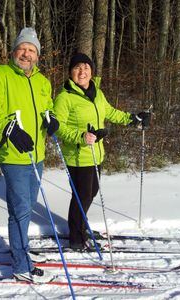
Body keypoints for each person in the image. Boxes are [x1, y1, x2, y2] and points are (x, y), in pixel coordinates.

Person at [0, 28, 59, 283]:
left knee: (26, 206)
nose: (26, 53)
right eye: (22, 48)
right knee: (21, 210)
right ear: (14, 51)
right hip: (13, 154)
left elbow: (47, 106)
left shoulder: (42, 81)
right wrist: (9, 127)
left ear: (37, 56)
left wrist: (51, 119)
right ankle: (22, 267)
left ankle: (21, 246)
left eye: (31, 50)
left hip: (37, 154)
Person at [53, 53, 150, 251]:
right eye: (78, 68)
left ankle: (81, 226)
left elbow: (110, 112)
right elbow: (58, 126)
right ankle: (76, 238)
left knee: (91, 192)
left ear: (91, 71)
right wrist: (80, 137)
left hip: (97, 154)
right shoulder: (65, 97)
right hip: (78, 156)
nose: (82, 72)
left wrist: (133, 119)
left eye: (86, 68)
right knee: (82, 197)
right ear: (71, 72)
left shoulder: (97, 93)